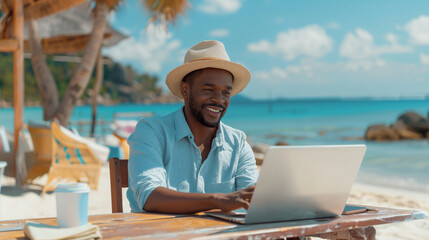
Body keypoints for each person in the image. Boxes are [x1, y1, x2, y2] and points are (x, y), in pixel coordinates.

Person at [127, 40, 259, 214]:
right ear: (185, 90)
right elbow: (149, 197)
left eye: (226, 92)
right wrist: (218, 200)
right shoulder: (152, 131)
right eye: (208, 89)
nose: (219, 100)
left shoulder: (238, 142)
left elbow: (254, 200)